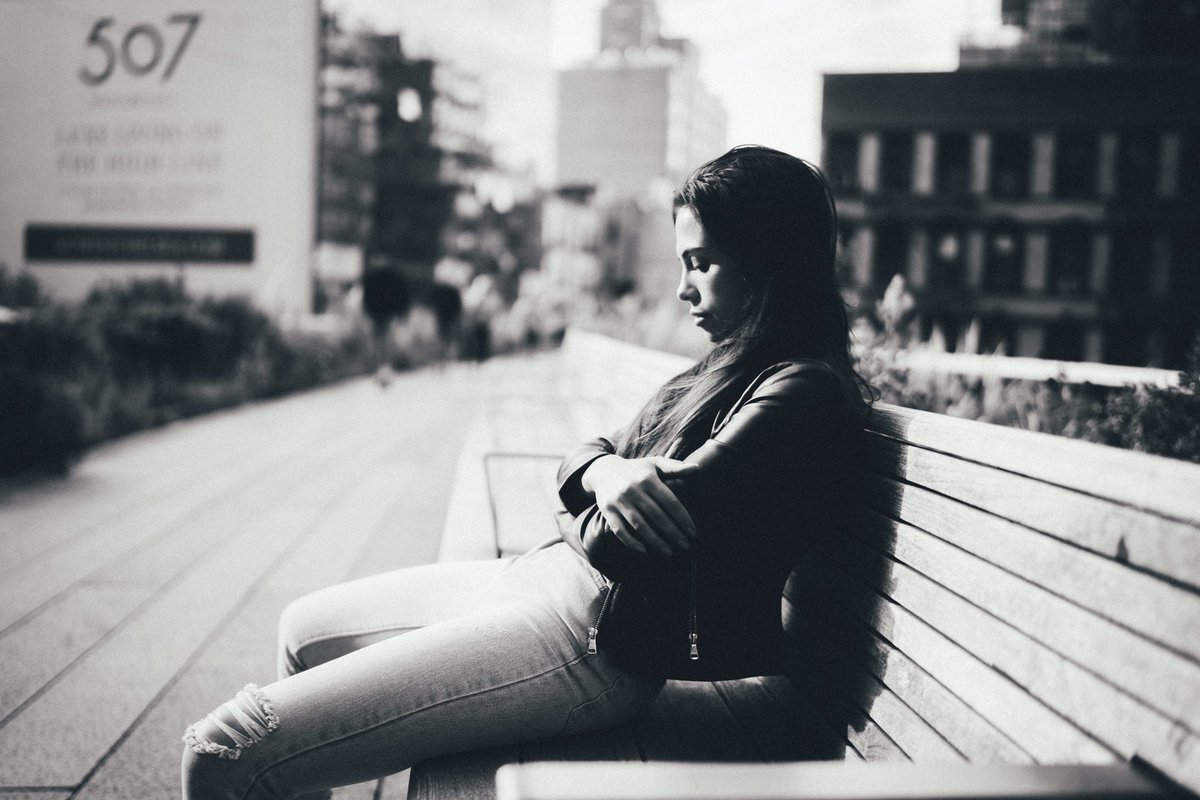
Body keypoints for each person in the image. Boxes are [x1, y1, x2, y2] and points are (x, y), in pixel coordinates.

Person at [180, 145, 868, 799]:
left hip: (590, 643)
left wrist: (590, 485)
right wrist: (605, 476)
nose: (684, 288)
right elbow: (590, 455)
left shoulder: (800, 393)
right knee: (301, 631)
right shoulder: (731, 364)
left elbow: (615, 544)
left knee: (224, 751)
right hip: (542, 581)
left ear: (768, 262)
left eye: (702, 263)